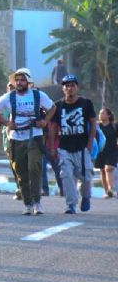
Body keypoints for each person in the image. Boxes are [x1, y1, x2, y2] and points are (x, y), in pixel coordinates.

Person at [0, 69, 56, 215]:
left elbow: (53, 108)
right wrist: (7, 123)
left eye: (22, 80)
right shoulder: (9, 97)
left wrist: (45, 121)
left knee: (34, 167)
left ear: (28, 82)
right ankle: (27, 203)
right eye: (17, 80)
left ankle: (37, 202)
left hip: (35, 136)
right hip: (16, 138)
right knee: (20, 172)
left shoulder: (38, 95)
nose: (19, 82)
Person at [48, 74, 96, 214]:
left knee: (86, 176)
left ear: (77, 87)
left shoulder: (86, 103)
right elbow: (53, 128)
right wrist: (52, 147)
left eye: (72, 85)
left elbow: (93, 123)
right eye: (66, 86)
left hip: (82, 147)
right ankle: (71, 205)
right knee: (67, 175)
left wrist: (90, 144)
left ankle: (86, 196)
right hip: (64, 148)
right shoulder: (58, 106)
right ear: (63, 89)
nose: (69, 88)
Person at [96, 108, 117, 198]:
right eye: (100, 113)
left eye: (103, 113)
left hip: (112, 150)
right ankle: (106, 192)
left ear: (108, 115)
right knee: (103, 171)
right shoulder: (96, 126)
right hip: (100, 151)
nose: (101, 115)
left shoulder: (114, 125)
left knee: (109, 168)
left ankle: (111, 189)